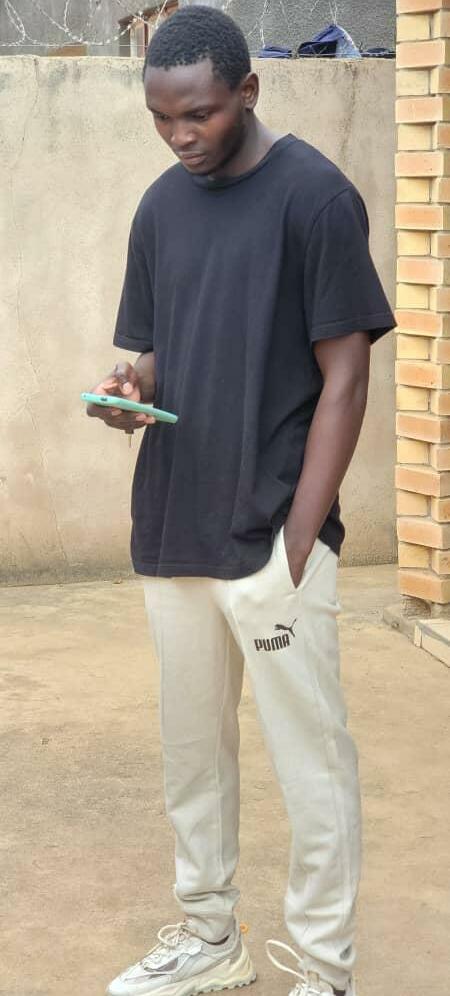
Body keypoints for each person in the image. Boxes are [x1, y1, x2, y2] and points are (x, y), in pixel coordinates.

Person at [87, 7, 395, 996]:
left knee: (311, 763)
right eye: (162, 118)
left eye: (201, 115)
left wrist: (300, 537)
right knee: (193, 755)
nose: (180, 136)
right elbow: (159, 351)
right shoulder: (158, 209)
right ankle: (211, 936)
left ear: (248, 92)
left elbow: (345, 376)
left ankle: (324, 969)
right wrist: (130, 391)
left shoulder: (316, 199)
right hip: (175, 526)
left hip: (271, 535)